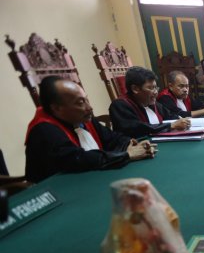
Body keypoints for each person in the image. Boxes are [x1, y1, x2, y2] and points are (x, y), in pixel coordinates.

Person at [25, 76, 156, 182]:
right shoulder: (44, 130)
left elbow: (112, 138)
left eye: (86, 99)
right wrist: (127, 155)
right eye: (80, 102)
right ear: (56, 108)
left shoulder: (83, 118)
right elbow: (78, 159)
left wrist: (131, 144)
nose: (90, 108)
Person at [110, 66, 191, 138]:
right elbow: (139, 128)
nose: (156, 92)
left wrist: (182, 120)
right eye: (151, 88)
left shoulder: (152, 103)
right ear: (135, 89)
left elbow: (169, 115)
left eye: (155, 87)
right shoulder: (120, 105)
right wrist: (171, 125)